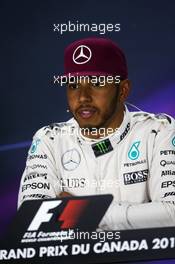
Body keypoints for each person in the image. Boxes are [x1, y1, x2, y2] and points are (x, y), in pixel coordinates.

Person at [18, 37, 175, 230]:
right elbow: (30, 220)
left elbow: (172, 213)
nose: (83, 97)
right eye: (74, 85)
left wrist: (85, 211)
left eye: (97, 83)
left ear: (123, 90)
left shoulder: (158, 131)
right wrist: (141, 215)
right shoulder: (49, 140)